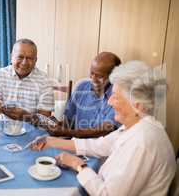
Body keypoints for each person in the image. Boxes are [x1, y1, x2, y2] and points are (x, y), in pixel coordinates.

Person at [31, 61, 176, 196]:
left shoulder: (142, 143)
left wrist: (78, 164)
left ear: (137, 105)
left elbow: (106, 194)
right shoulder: (138, 126)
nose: (110, 101)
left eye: (116, 97)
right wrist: (50, 141)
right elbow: (97, 145)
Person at [46, 52, 121, 138]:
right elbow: (69, 122)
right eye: (92, 73)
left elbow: (105, 130)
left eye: (99, 76)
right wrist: (57, 125)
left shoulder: (118, 96)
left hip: (99, 149)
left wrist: (67, 132)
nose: (93, 80)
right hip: (73, 143)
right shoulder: (81, 87)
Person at [0, 38, 54, 122]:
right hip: (4, 128)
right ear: (12, 57)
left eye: (29, 58)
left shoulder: (45, 80)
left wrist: (26, 117)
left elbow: (45, 119)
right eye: (20, 57)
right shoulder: (0, 76)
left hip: (33, 130)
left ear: (35, 60)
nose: (24, 62)